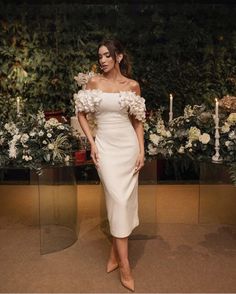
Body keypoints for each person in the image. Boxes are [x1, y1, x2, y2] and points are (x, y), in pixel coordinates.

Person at [74, 38, 146, 292]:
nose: (102, 60)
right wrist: (92, 143)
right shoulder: (94, 83)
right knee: (116, 198)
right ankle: (125, 266)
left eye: (107, 55)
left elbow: (138, 121)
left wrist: (142, 150)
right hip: (105, 148)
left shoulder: (133, 86)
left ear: (119, 57)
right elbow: (81, 114)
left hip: (128, 148)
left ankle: (116, 255)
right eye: (100, 56)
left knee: (124, 201)